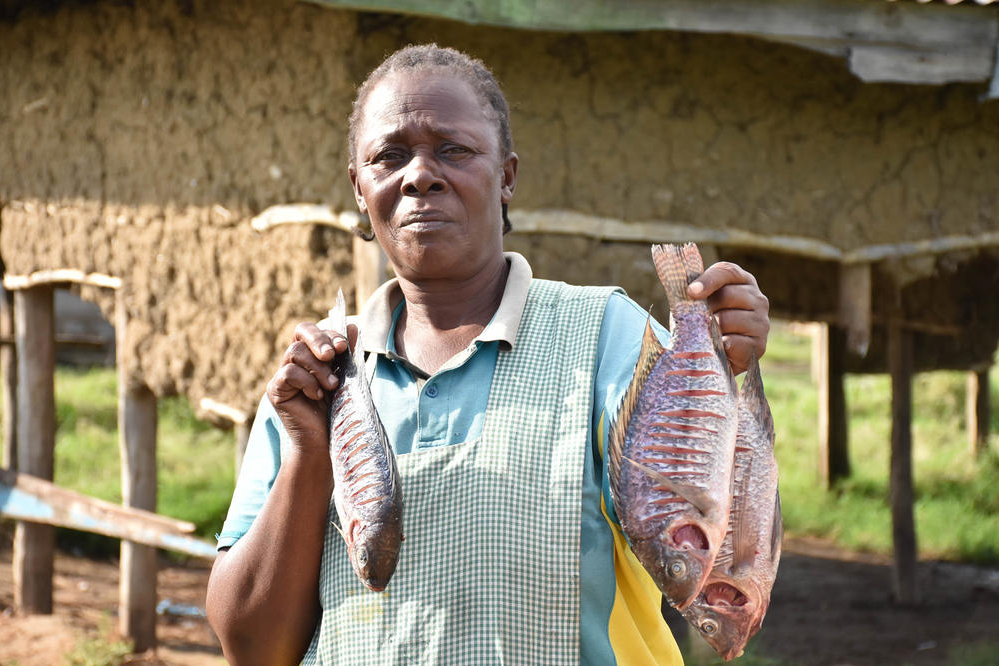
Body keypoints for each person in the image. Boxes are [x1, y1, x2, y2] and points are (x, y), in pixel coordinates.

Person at [206, 44, 770, 665]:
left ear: (506, 176)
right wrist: (309, 456)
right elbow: (251, 647)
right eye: (389, 156)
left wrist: (724, 375)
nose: (420, 173)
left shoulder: (604, 336)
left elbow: (715, 557)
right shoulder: (322, 375)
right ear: (359, 189)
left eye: (454, 149)